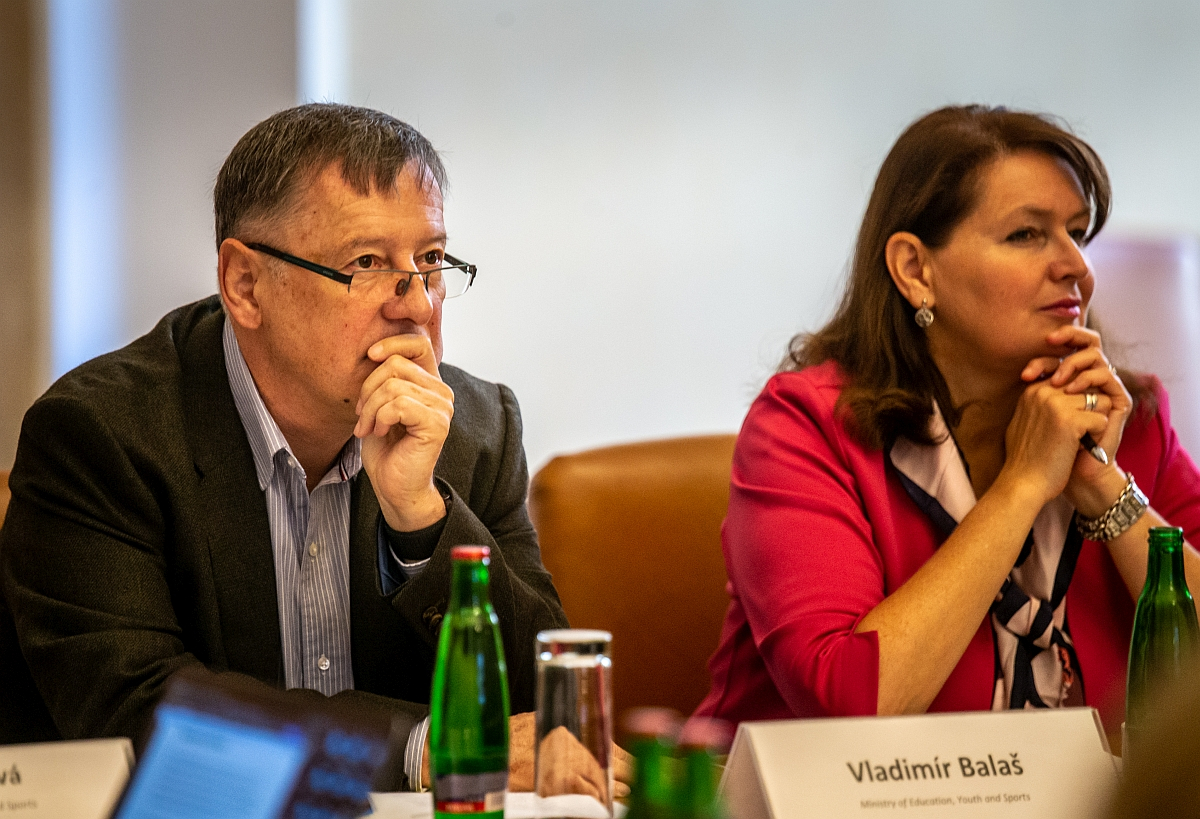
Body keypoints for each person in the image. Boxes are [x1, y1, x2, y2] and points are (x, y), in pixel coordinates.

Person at [0, 103, 592, 791]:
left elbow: (544, 712)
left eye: (430, 260)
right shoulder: (100, 436)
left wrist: (422, 519)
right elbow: (142, 712)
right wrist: (423, 749)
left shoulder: (475, 430)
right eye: (366, 262)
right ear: (245, 285)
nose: (419, 304)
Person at [695, 105, 1200, 738]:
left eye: (1076, 233)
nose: (1076, 266)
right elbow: (848, 708)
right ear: (914, 270)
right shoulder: (806, 428)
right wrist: (1022, 487)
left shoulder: (1126, 418)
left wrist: (1107, 490)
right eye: (1026, 235)